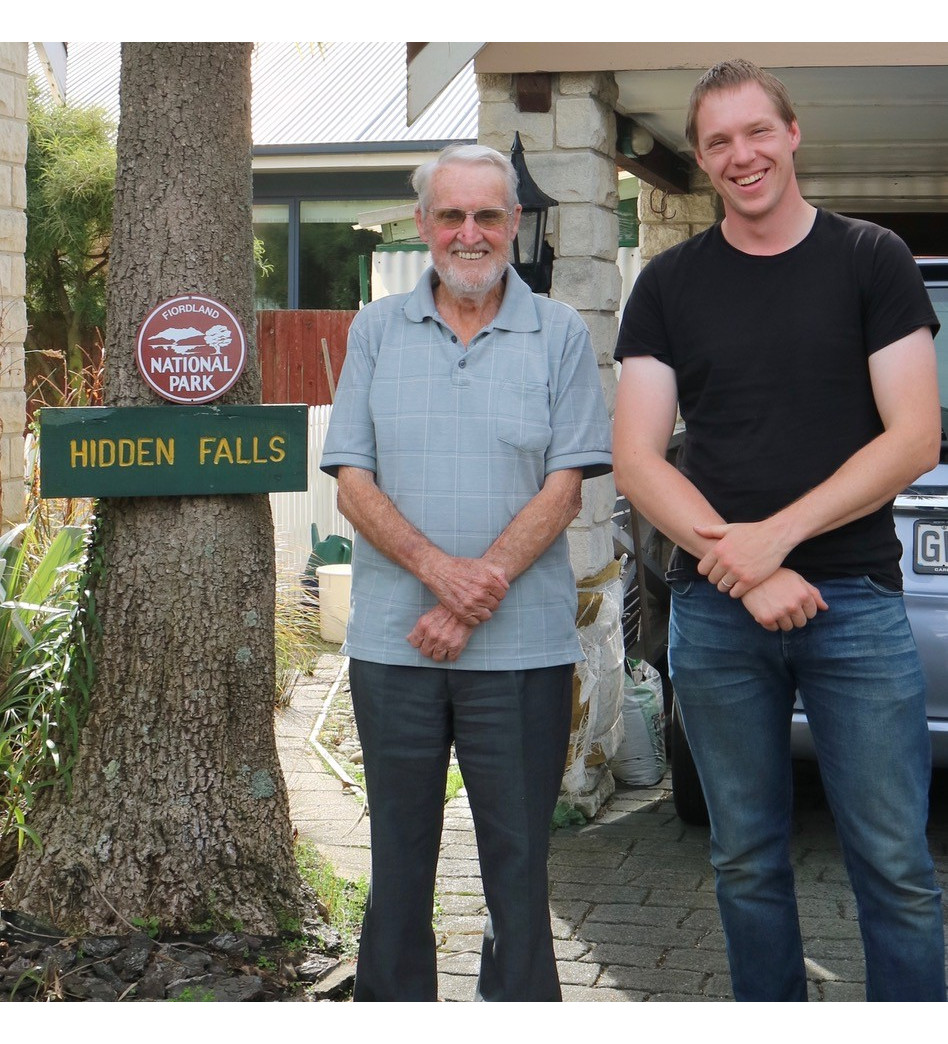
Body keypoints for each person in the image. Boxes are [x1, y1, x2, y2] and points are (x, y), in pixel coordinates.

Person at [613, 58, 945, 1001]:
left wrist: (776, 538)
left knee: (894, 866)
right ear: (704, 158)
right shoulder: (668, 284)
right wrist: (745, 565)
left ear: (792, 134)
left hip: (858, 606)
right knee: (745, 861)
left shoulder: (869, 258)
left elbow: (914, 436)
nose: (740, 155)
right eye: (717, 141)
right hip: (718, 618)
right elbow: (638, 459)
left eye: (757, 131)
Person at [320, 143, 611, 1001]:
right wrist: (442, 574)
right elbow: (351, 482)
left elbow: (565, 491)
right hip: (392, 645)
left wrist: (469, 594)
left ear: (514, 224)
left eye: (488, 215)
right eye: (452, 215)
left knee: (519, 866)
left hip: (523, 653)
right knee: (399, 862)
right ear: (423, 226)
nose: (470, 233)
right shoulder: (374, 329)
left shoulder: (559, 334)